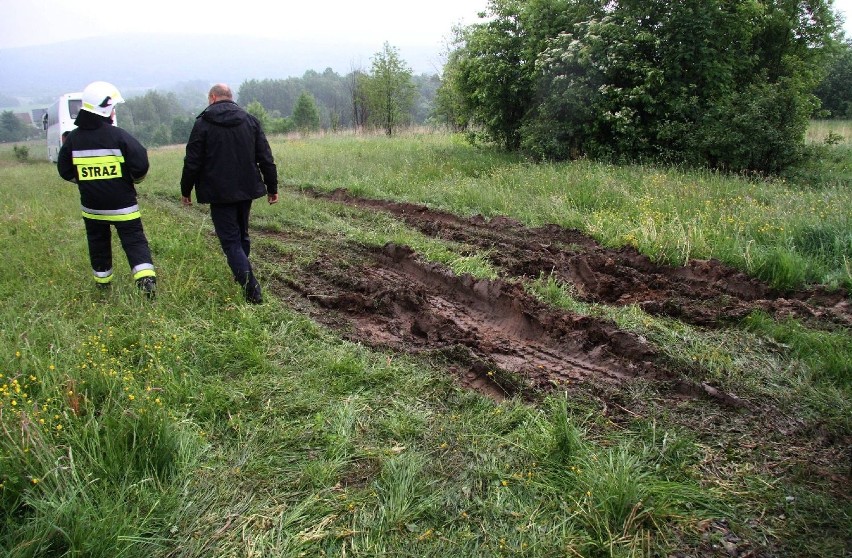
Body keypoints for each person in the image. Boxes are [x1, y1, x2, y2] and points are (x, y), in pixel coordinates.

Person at [180, 83, 278, 304]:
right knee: (242, 234)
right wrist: (272, 188)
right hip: (246, 188)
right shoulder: (250, 120)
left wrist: (186, 190)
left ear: (212, 97)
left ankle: (252, 291)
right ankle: (241, 272)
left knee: (231, 242)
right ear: (230, 97)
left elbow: (192, 161)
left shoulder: (203, 123)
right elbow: (265, 157)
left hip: (218, 192)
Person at [57, 81, 157, 297]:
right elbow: (140, 165)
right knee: (134, 241)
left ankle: (103, 285)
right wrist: (132, 180)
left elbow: (64, 170)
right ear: (106, 109)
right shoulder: (119, 136)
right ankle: (146, 282)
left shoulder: (74, 138)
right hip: (124, 207)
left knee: (98, 244)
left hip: (92, 209)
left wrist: (85, 181)